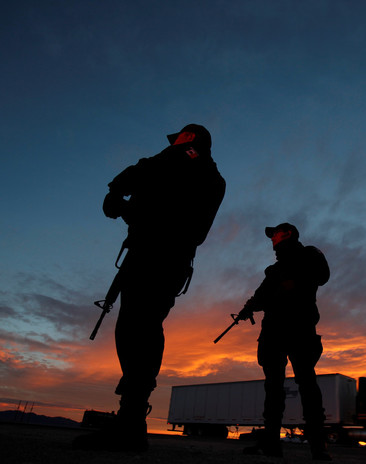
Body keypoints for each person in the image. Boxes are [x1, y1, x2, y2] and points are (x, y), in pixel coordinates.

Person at [74, 123, 225, 452]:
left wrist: (126, 206)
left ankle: (130, 423)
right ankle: (129, 418)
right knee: (131, 327)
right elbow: (135, 176)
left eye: (180, 139)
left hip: (164, 257)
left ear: (191, 140)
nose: (173, 144)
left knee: (140, 327)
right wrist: (116, 192)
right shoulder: (168, 164)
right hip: (144, 254)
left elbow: (184, 221)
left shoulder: (200, 171)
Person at [238, 223, 332, 461]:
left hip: (299, 329)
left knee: (307, 385)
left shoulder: (309, 255)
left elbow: (322, 277)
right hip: (274, 332)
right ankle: (272, 444)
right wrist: (249, 308)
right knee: (274, 388)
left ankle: (318, 447)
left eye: (275, 234)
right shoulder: (274, 270)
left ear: (288, 234)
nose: (272, 239)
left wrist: (289, 285)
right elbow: (260, 297)